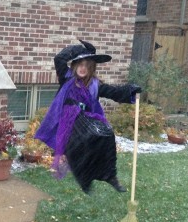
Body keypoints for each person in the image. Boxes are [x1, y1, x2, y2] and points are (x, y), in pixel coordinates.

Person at [35, 39, 141, 194]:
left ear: (91, 69)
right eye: (81, 64)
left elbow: (114, 92)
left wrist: (131, 91)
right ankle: (85, 180)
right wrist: (79, 50)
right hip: (68, 124)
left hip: (87, 120)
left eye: (87, 65)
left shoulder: (95, 85)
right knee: (78, 148)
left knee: (106, 135)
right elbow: (59, 59)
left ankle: (110, 176)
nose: (83, 68)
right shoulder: (66, 78)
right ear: (75, 65)